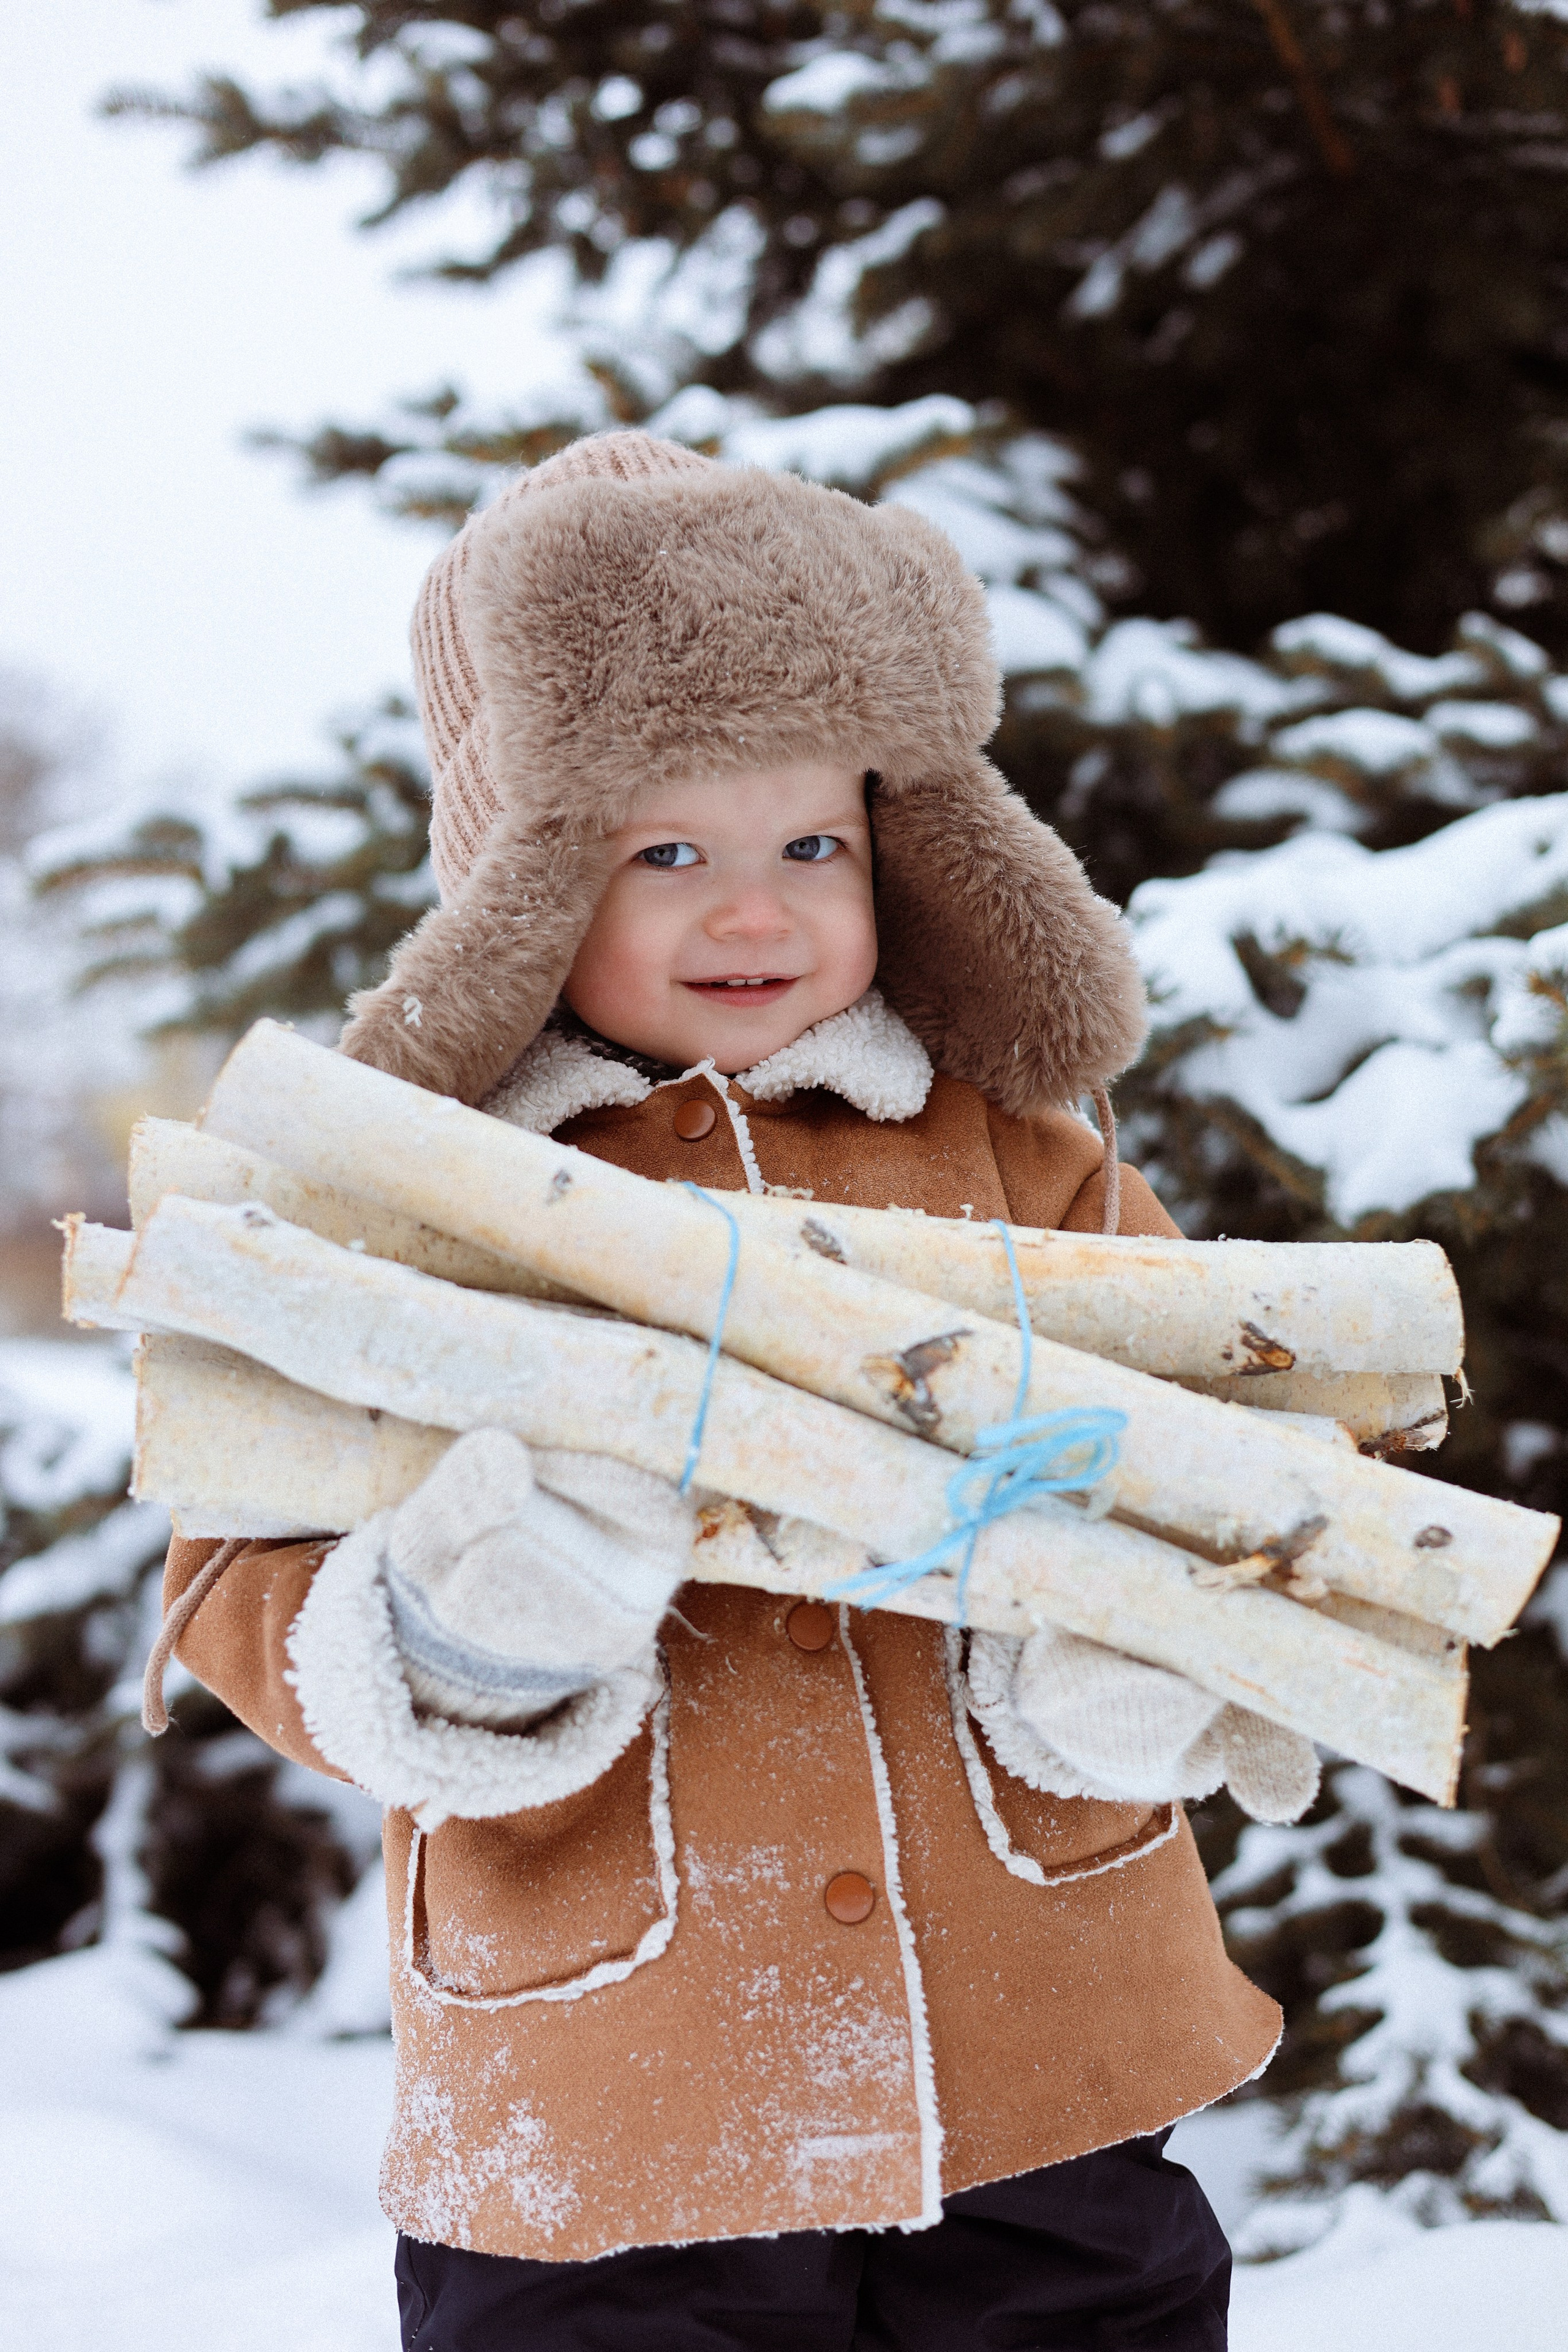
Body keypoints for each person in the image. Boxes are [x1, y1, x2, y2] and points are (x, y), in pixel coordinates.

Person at [155, 431, 1317, 2350]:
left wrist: (1135, 1645)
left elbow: (1212, 1454)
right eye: (665, 852)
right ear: (520, 875)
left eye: (814, 847)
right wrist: (459, 1635)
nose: (756, 915)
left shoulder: (1030, 1162)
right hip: (618, 2096)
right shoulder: (400, 1210)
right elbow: (237, 1574)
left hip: (1036, 2050)